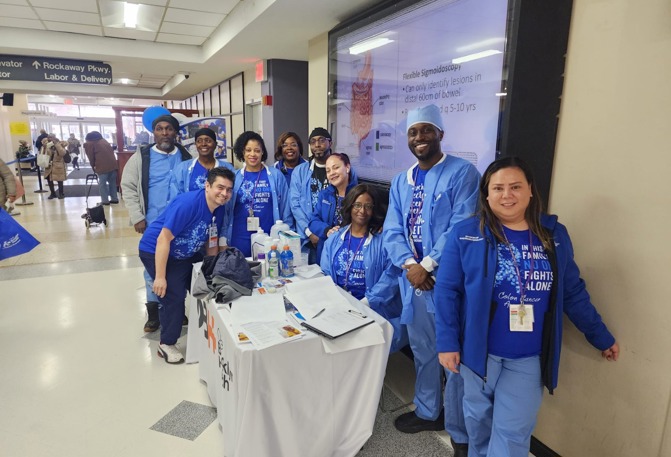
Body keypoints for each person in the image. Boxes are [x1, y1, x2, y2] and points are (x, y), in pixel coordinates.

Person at [435, 157, 620, 457]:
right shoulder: (466, 233)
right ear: (486, 194)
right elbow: (446, 291)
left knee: (512, 433)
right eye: (498, 188)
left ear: (530, 190)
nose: (507, 195)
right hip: (477, 355)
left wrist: (601, 336)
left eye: (515, 187)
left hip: (527, 358)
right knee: (478, 427)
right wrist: (446, 343)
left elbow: (572, 292)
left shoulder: (553, 235)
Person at [383, 104, 480, 453]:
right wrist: (411, 265)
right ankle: (428, 412)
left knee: (452, 355)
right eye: (413, 132)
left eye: (426, 130)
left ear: (440, 133)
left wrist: (429, 263)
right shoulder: (400, 180)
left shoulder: (463, 173)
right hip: (413, 282)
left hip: (447, 282)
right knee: (423, 350)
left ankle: (460, 431)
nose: (419, 137)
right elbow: (392, 227)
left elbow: (462, 223)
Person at [139, 167, 235, 364]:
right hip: (156, 249)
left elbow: (211, 237)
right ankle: (166, 344)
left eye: (229, 189)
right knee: (173, 295)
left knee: (207, 286)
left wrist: (210, 267)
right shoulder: (188, 204)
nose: (224, 194)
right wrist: (159, 276)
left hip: (185, 253)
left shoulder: (219, 206)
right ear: (207, 186)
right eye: (220, 187)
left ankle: (210, 333)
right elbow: (163, 240)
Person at [121, 114, 192, 333]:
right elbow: (129, 187)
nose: (164, 133)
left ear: (175, 132)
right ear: (154, 132)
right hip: (152, 222)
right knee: (153, 267)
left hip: (179, 223)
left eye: (169, 129)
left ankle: (175, 308)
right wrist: (137, 217)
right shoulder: (142, 157)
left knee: (178, 265)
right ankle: (154, 313)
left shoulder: (185, 155)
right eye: (160, 129)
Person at [320, 184, 408, 352]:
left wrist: (365, 303)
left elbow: (392, 276)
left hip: (371, 308)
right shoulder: (334, 239)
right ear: (350, 206)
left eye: (368, 206)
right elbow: (325, 274)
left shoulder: (382, 241)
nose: (362, 211)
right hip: (339, 307)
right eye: (358, 205)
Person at [225, 131, 294, 258]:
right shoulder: (234, 177)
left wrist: (287, 237)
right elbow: (226, 211)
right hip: (238, 238)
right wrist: (223, 239)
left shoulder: (275, 175)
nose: (252, 154)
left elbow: (286, 208)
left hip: (270, 239)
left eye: (257, 150)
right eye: (248, 150)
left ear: (262, 152)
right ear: (242, 152)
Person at [290, 127, 352, 264]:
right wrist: (310, 232)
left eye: (321, 140)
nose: (317, 145)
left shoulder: (343, 173)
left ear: (330, 143)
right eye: (313, 142)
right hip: (310, 234)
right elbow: (294, 205)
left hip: (339, 237)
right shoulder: (300, 171)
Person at [308, 153, 357, 262]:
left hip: (352, 252)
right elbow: (313, 221)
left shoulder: (360, 194)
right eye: (328, 170)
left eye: (336, 168)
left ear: (347, 168)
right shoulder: (325, 194)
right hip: (327, 251)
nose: (332, 173)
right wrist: (327, 230)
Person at [173, 127, 234, 193]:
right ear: (195, 144)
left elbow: (232, 195)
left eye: (208, 141)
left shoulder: (228, 168)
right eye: (199, 141)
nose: (203, 144)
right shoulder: (183, 168)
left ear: (215, 144)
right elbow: (177, 196)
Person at [84, 131, 119, 205]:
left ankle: (105, 201)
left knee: (102, 184)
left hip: (102, 166)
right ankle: (114, 199)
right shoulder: (104, 141)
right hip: (113, 165)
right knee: (112, 183)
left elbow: (91, 157)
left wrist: (93, 166)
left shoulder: (90, 144)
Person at [42, 135, 68, 200]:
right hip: (49, 165)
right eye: (48, 138)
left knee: (59, 180)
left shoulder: (60, 145)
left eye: (51, 138)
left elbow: (62, 153)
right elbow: (42, 154)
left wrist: (57, 144)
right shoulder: (47, 145)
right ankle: (53, 193)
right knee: (49, 180)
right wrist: (44, 148)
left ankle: (61, 193)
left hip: (58, 165)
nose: (50, 139)